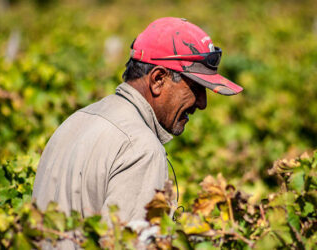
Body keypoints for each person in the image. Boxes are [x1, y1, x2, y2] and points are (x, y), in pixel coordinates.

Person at [32, 17, 243, 223]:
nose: (203, 103)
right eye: (196, 88)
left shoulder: (75, 121)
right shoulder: (141, 149)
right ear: (158, 79)